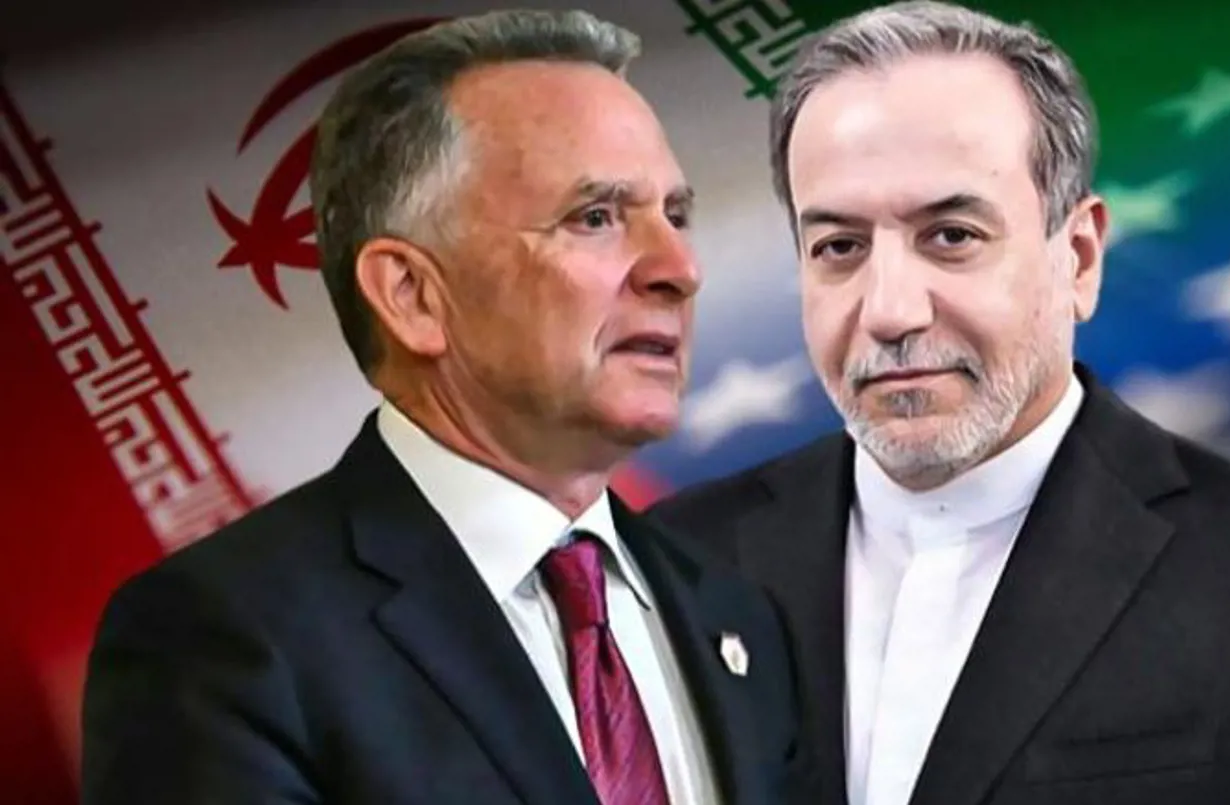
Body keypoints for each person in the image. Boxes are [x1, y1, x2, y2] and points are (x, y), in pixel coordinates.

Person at [648, 2, 1230, 804]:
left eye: (951, 236)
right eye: (839, 246)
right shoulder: (668, 562)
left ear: (1076, 257)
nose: (890, 310)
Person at [81, 10, 813, 805]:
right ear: (412, 295)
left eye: (675, 215)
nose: (680, 268)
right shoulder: (225, 635)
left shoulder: (734, 612)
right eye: (595, 217)